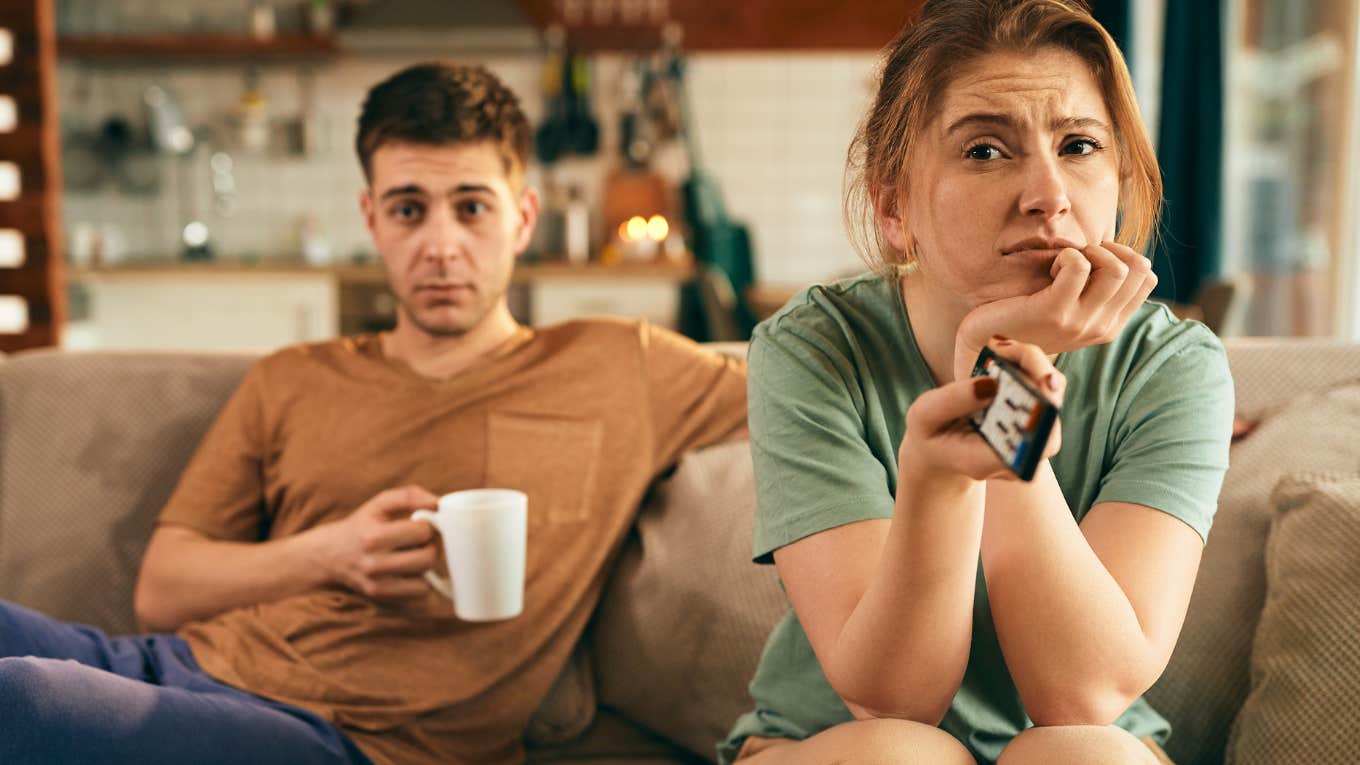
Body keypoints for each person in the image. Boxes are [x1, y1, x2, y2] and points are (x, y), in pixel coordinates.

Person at [0, 63, 746, 765]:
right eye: (409, 209)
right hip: (167, 666)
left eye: (472, 208)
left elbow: (813, 369)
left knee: (22, 700)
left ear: (522, 219)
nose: (440, 245)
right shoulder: (293, 377)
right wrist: (331, 553)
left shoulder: (621, 365)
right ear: (372, 218)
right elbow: (163, 589)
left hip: (350, 740)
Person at [720, 1, 1233, 763]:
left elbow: (1081, 696)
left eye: (1080, 145)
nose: (1049, 195)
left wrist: (1001, 378)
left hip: (1084, 747)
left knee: (1084, 754)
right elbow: (894, 700)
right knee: (897, 756)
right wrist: (947, 463)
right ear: (894, 205)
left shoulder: (1175, 367)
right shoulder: (813, 349)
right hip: (839, 742)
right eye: (987, 151)